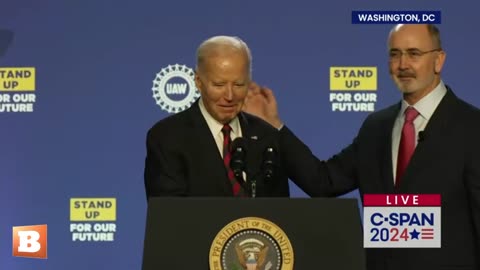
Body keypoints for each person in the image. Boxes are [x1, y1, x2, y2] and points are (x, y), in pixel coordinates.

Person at [244, 24, 480, 270]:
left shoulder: (472, 127)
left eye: (414, 54)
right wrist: (273, 126)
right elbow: (323, 181)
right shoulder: (376, 127)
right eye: (394, 54)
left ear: (438, 60)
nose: (403, 64)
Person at [144, 36, 290, 198]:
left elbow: (280, 215)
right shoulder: (168, 137)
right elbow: (168, 216)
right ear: (198, 81)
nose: (229, 96)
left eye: (238, 85)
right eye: (219, 85)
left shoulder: (267, 136)